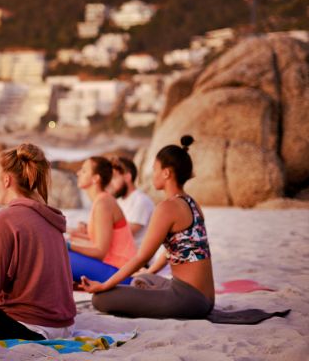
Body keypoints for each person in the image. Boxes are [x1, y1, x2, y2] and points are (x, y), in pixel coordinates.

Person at [0, 143, 76, 341]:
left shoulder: (5, 219)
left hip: (29, 327)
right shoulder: (51, 217)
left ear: (7, 180)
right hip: (63, 326)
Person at [81, 135, 215, 319]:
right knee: (144, 278)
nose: (153, 175)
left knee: (100, 299)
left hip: (188, 299)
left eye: (154, 169)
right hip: (206, 298)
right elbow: (174, 251)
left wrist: (104, 285)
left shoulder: (167, 207)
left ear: (166, 173)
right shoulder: (192, 203)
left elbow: (142, 256)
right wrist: (150, 271)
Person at [66, 157, 137, 284]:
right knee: (61, 249)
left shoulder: (103, 203)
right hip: (114, 267)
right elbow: (98, 243)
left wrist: (69, 246)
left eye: (84, 171)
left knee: (60, 256)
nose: (78, 173)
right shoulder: (102, 200)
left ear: (96, 178)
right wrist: (70, 240)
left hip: (121, 272)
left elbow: (100, 251)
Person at [109, 156, 155, 247]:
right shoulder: (118, 201)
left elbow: (125, 234)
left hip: (139, 259)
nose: (110, 183)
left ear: (127, 177)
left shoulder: (141, 201)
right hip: (123, 254)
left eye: (113, 178)